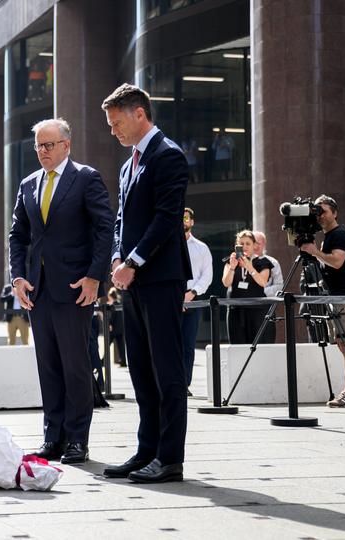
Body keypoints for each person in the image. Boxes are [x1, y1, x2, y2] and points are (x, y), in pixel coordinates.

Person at [9, 118, 114, 465]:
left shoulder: (86, 178)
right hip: (37, 290)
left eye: (49, 145)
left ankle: (77, 441)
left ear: (66, 145)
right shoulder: (27, 184)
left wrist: (95, 277)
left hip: (74, 288)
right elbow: (18, 236)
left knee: (75, 367)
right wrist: (18, 277)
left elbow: (104, 230)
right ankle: (52, 437)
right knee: (48, 367)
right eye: (38, 145)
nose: (42, 151)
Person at [102, 83, 191, 483]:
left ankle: (170, 458)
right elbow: (122, 220)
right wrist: (118, 258)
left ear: (140, 114)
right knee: (139, 367)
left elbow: (166, 219)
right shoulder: (127, 165)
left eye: (117, 122)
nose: (113, 131)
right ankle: (147, 450)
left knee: (166, 370)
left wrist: (134, 262)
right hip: (133, 281)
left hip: (160, 278)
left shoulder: (168, 155)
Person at [300, 195, 345, 408]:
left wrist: (315, 252)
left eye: (324, 211)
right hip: (337, 297)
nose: (320, 216)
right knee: (342, 344)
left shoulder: (339, 234)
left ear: (335, 213)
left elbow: (337, 262)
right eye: (317, 211)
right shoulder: (328, 236)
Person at [221, 230, 274, 344]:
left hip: (256, 311)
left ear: (254, 245)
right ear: (237, 246)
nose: (244, 246)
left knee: (257, 344)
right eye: (241, 244)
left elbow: (263, 282)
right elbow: (226, 283)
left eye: (248, 243)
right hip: (236, 310)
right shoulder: (231, 262)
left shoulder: (263, 262)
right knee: (237, 345)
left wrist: (250, 267)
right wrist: (232, 267)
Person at [182, 207, 213, 394]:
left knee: (188, 344)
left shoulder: (201, 248)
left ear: (192, 222)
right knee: (169, 344)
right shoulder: (167, 247)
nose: (183, 221)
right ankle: (172, 383)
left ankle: (184, 384)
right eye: (180, 218)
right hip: (171, 299)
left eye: (186, 218)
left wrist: (191, 293)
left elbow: (207, 276)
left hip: (193, 299)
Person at [253, 231, 283, 297]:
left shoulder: (273, 262)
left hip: (265, 302)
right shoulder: (244, 261)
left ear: (264, 244)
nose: (256, 246)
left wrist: (260, 292)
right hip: (244, 302)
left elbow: (279, 286)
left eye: (258, 243)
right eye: (254, 243)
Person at [106, 288, 126, 367]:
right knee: (121, 346)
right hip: (121, 328)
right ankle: (123, 361)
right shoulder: (120, 303)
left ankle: (103, 361)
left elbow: (112, 317)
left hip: (114, 329)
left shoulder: (112, 305)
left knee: (107, 344)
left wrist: (109, 324)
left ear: (111, 296)